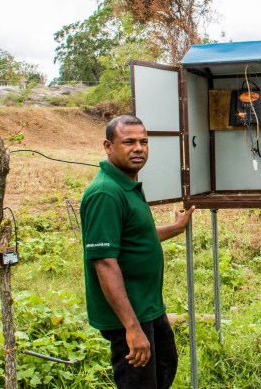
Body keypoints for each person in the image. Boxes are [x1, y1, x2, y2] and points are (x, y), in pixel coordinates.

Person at [80, 115, 194, 389]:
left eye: (143, 142)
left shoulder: (126, 184)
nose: (139, 148)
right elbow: (105, 262)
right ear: (108, 146)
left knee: (164, 368)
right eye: (128, 142)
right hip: (129, 315)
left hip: (149, 307)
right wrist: (131, 328)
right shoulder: (106, 193)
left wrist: (175, 228)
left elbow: (135, 238)